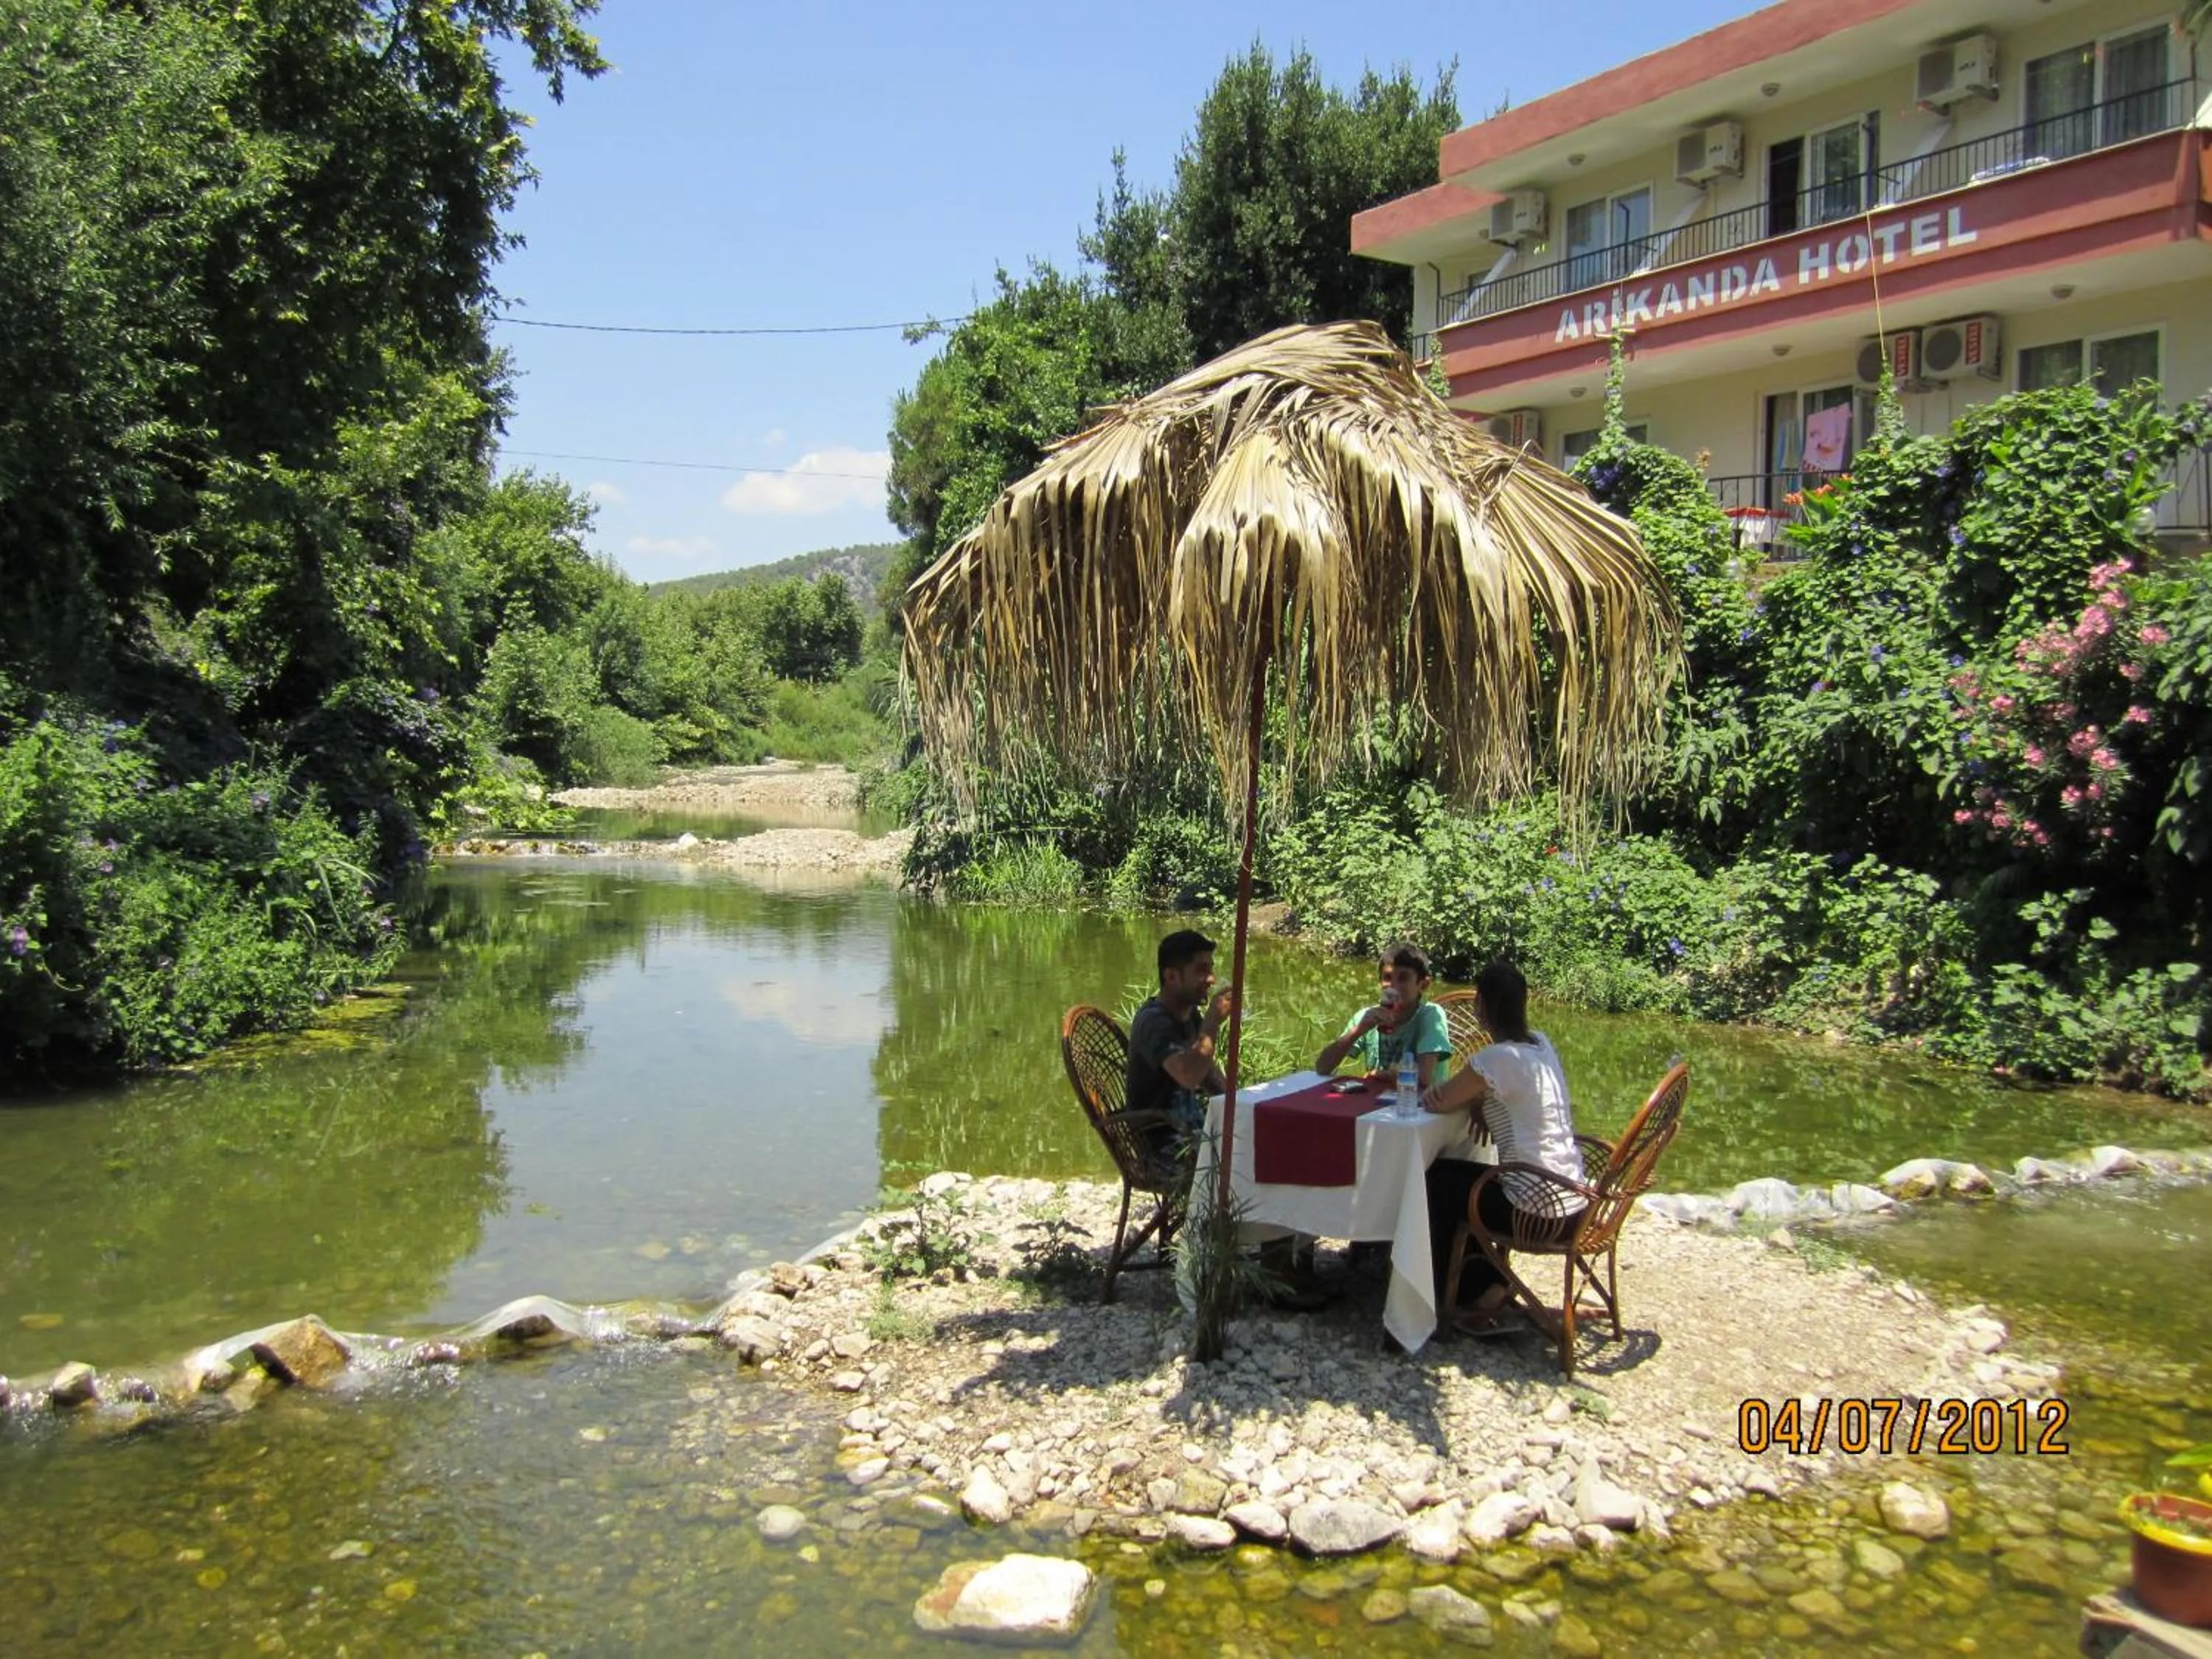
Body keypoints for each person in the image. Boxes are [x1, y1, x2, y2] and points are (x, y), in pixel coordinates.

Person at [1416, 958, 1586, 1334]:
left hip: (1537, 1212)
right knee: (1461, 1177)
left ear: (1482, 1008)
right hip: (1575, 1201)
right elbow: (1496, 1093)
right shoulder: (1541, 1044)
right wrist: (1479, 1100)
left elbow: (1438, 1100)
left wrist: (1466, 1096)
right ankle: (1489, 1284)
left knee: (1436, 1183)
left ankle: (1467, 1296)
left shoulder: (1495, 1059)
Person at [1124, 929, 1231, 1164]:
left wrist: (1240, 1106)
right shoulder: (1154, 1022)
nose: (1212, 978)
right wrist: (1212, 1022)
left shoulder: (1188, 1013)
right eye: (1201, 970)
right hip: (1165, 1150)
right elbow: (1189, 1076)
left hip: (1193, 1132)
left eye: (1211, 968)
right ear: (1171, 976)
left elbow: (1207, 1074)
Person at [1313, 940, 1452, 1091]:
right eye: (1387, 978)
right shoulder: (1367, 1017)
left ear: (1423, 985)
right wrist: (1357, 1031)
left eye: (1403, 978)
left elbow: (1423, 1079)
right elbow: (1322, 1068)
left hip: (1420, 1106)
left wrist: (1380, 1075)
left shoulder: (1431, 1015)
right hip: (1377, 1105)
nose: (1393, 986)